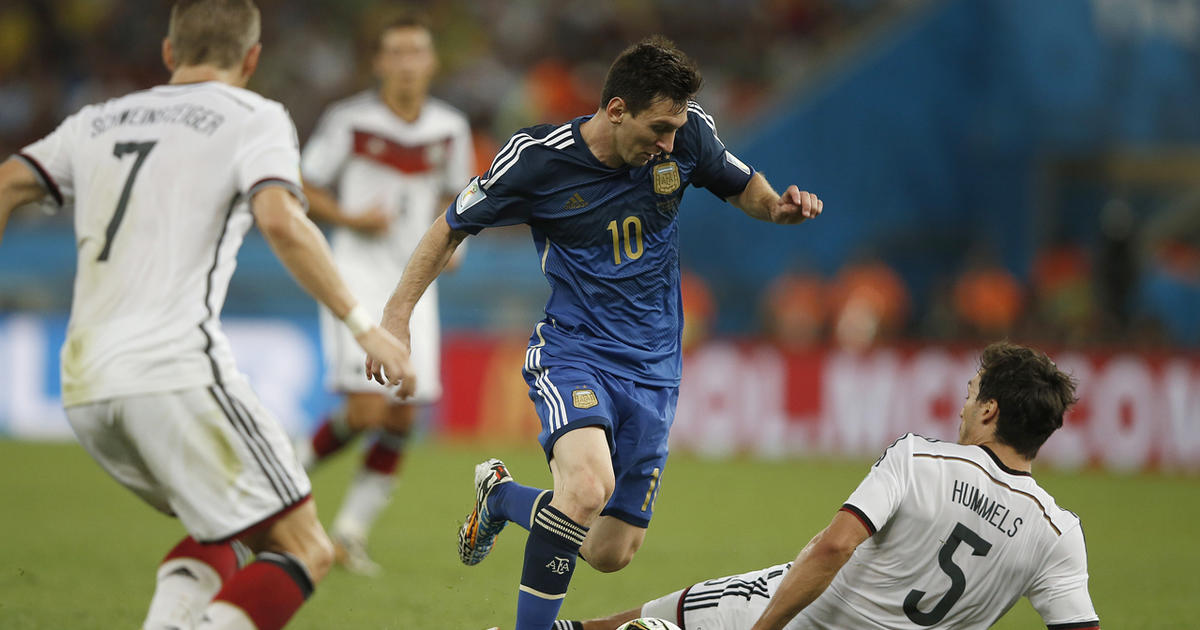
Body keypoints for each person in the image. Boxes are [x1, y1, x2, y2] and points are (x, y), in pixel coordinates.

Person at [367, 36, 824, 630]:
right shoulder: (537, 160)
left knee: (610, 551)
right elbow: (450, 226)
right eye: (658, 128)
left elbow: (744, 188)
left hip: (656, 366)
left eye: (676, 128)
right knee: (585, 489)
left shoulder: (687, 134)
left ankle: (502, 498)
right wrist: (396, 316)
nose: (668, 142)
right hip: (575, 349)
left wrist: (778, 208)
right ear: (615, 110)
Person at [0, 1, 411, 628]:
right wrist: (365, 326)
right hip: (173, 370)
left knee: (224, 524)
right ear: (252, 59)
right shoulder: (255, 116)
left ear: (169, 54)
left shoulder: (96, 121)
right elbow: (280, 218)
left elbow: (7, 184)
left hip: (84, 385)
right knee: (305, 548)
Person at [557, 341, 1101, 630]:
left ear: (989, 410)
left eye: (970, 393)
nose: (962, 407)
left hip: (801, 615)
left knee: (636, 624)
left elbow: (835, 545)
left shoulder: (919, 460)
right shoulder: (1057, 533)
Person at [293, 10, 473, 575]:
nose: (405, 63)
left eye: (415, 52)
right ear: (378, 63)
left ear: (431, 62)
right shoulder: (348, 121)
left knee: (402, 417)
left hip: (416, 285)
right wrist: (349, 216)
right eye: (394, 52)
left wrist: (457, 244)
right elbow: (301, 183)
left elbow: (462, 200)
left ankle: (348, 535)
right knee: (369, 408)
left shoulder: (450, 128)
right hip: (357, 277)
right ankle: (280, 480)